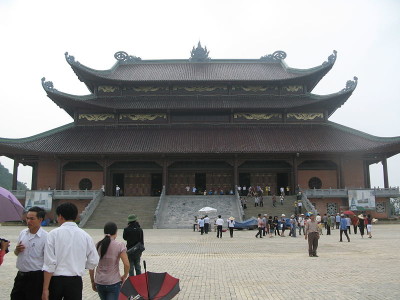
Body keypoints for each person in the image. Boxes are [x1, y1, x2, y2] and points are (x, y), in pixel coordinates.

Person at [42, 202, 99, 300]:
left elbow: (49, 263)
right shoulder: (85, 236)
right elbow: (94, 260)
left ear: (60, 216)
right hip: (75, 281)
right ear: (75, 216)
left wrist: (45, 289)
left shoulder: (52, 234)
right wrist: (81, 264)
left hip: (56, 281)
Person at [10, 206, 47, 300]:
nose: (28, 221)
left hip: (36, 278)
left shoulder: (46, 237)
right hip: (20, 276)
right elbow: (16, 253)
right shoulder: (23, 233)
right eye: (27, 218)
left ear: (40, 219)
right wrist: (17, 250)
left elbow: (49, 261)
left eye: (32, 219)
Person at [90, 222, 129, 300]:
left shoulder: (97, 245)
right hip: (113, 282)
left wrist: (92, 281)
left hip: (99, 282)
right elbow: (126, 264)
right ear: (115, 232)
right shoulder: (119, 245)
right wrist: (125, 275)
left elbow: (91, 266)